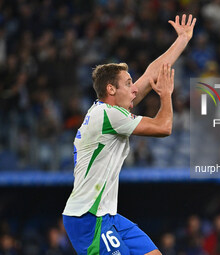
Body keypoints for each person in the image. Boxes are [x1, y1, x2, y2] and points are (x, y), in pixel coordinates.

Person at [62, 14, 196, 255]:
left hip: (107, 215)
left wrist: (182, 40)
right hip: (87, 219)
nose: (134, 89)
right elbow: (164, 127)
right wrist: (166, 95)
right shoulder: (108, 116)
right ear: (111, 89)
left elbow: (153, 72)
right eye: (128, 83)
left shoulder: (111, 112)